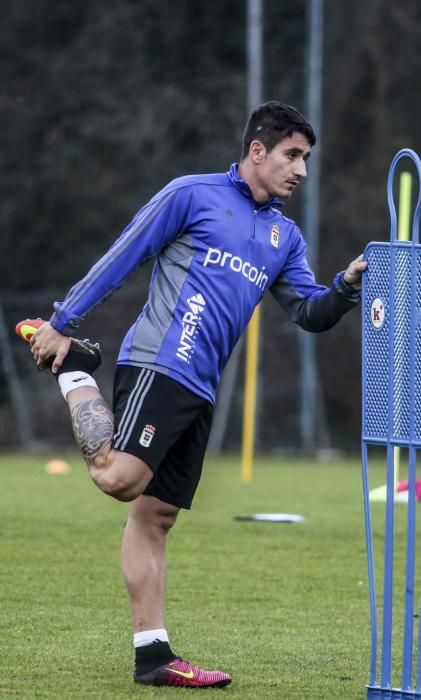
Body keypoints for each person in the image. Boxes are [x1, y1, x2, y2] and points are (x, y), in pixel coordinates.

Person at [16, 100, 367, 689]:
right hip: (159, 363)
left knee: (156, 516)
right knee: (119, 479)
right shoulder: (192, 194)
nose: (301, 170)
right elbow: (123, 254)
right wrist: (64, 321)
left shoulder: (284, 235)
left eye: (305, 159)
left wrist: (347, 284)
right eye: (292, 156)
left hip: (202, 388)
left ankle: (152, 657)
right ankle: (74, 370)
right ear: (258, 150)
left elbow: (309, 312)